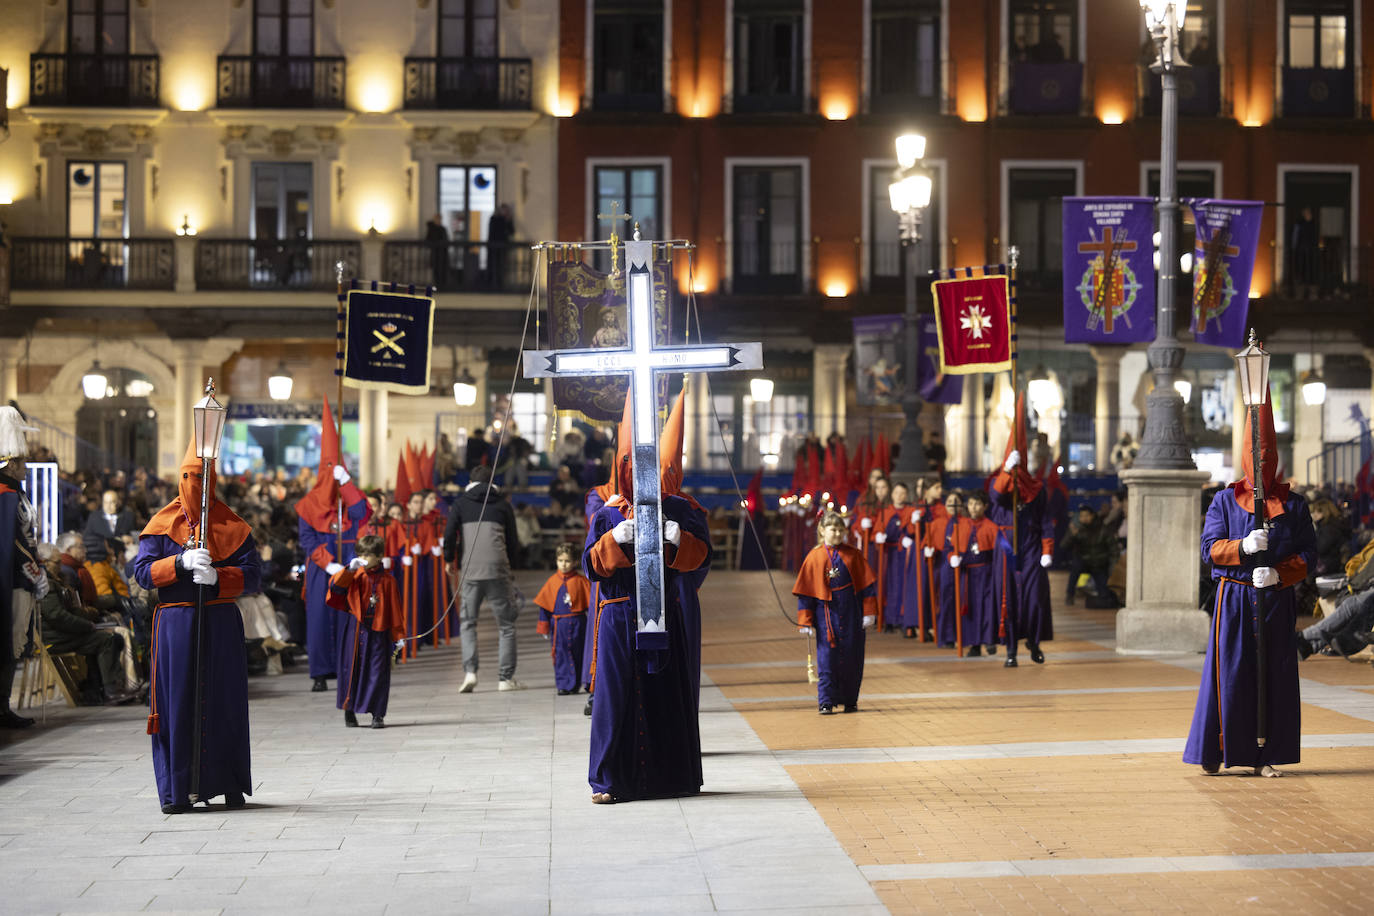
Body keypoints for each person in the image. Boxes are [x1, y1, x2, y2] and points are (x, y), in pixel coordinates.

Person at [582, 387, 711, 803]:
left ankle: (670, 777)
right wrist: (614, 540)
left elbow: (703, 562)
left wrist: (680, 540)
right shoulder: (606, 514)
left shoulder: (681, 511)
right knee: (615, 697)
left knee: (665, 694)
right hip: (621, 614)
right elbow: (591, 567)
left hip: (665, 613)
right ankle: (608, 780)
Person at [1184, 393, 1316, 777]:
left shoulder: (1296, 505)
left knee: (1273, 672)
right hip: (1236, 598)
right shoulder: (1224, 501)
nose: (1262, 468)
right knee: (1231, 670)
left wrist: (1281, 574)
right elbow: (1210, 550)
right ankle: (1221, 745)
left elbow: (1310, 554)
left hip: (1275, 598)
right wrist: (1241, 547)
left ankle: (1266, 753)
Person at [134, 439, 261, 813]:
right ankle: (177, 790)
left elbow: (253, 577)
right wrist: (179, 564)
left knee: (223, 701)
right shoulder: (160, 524)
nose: (197, 486)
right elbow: (142, 573)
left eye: (204, 479)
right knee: (177, 703)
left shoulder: (233, 526)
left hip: (220, 622)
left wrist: (219, 577)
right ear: (181, 479)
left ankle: (228, 783)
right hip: (176, 625)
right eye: (190, 477)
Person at [295, 401, 371, 692]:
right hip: (320, 568)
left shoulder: (348, 497)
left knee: (346, 615)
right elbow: (308, 540)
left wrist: (347, 485)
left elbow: (362, 514)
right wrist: (328, 563)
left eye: (335, 470)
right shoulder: (308, 505)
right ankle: (319, 671)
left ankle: (345, 665)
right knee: (319, 617)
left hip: (348, 563)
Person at [987, 395, 1056, 665]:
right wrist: (1006, 471)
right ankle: (1011, 651)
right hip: (1006, 550)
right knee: (1009, 600)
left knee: (1034, 599)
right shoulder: (999, 483)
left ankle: (1034, 642)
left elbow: (1046, 521)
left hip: (1031, 549)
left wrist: (1047, 550)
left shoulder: (1037, 490)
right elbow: (995, 497)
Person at [443, 464, 522, 692]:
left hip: (470, 571)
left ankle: (470, 673)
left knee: (468, 623)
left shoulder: (459, 504)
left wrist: (450, 559)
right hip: (498, 569)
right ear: (492, 482)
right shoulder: (503, 505)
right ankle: (505, 679)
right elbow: (513, 540)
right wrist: (513, 568)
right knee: (506, 625)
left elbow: (449, 534)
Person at [793, 510, 876, 715]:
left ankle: (850, 700)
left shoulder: (854, 555)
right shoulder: (814, 557)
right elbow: (806, 593)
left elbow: (867, 588)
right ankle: (826, 701)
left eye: (841, 529)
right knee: (826, 658)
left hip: (851, 612)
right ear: (822, 530)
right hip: (825, 614)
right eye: (833, 529)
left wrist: (869, 613)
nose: (837, 533)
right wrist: (805, 620)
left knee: (853, 656)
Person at [326, 534, 404, 729]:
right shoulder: (355, 576)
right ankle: (349, 711)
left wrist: (399, 636)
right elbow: (335, 590)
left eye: (368, 555)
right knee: (351, 670)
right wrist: (348, 571)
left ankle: (377, 714)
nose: (363, 558)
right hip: (356, 628)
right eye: (361, 554)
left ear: (379, 556)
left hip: (379, 631)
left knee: (378, 671)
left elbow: (395, 610)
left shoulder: (388, 580)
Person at [38, 546, 132, 704]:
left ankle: (96, 690)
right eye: (57, 562)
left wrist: (89, 615)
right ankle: (110, 691)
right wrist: (87, 625)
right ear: (45, 562)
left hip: (63, 633)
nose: (61, 566)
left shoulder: (57, 580)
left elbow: (71, 610)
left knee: (111, 638)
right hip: (54, 638)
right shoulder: (46, 584)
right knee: (107, 640)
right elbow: (57, 616)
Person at [1, 406, 46, 728]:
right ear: (12, 463)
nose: (27, 466)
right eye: (23, 461)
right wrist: (35, 571)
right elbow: (13, 542)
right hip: (15, 579)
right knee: (10, 640)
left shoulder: (16, 492)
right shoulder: (6, 494)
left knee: (15, 642)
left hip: (23, 576)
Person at [533, 543, 589, 695]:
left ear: (575, 562)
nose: (563, 565)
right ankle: (563, 685)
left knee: (580, 654)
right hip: (560, 625)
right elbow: (544, 607)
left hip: (579, 624)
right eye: (560, 561)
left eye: (567, 561)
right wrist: (544, 627)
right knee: (560, 654)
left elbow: (591, 605)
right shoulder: (552, 582)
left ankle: (578, 683)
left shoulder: (582, 581)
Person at [1062, 504, 1117, 607]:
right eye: (1081, 516)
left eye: (1086, 515)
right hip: (1083, 562)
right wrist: (1072, 536)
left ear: (1092, 516)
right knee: (1075, 568)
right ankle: (1070, 595)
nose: (1084, 518)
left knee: (1104, 595)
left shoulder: (1102, 529)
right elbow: (1064, 546)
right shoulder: (1076, 529)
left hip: (1099, 564)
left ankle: (1093, 593)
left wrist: (1112, 567)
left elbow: (1113, 549)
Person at [83, 488, 136, 556]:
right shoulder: (94, 517)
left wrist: (130, 539)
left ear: (118, 502)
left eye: (111, 502)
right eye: (105, 502)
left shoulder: (127, 516)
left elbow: (134, 534)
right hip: (101, 555)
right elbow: (87, 537)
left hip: (123, 554)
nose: (108, 506)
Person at [486, 202, 514, 289]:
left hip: (503, 248)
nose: (504, 212)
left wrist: (508, 220)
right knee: (494, 265)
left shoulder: (506, 220)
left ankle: (500, 283)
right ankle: (492, 283)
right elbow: (494, 232)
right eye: (503, 210)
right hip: (494, 247)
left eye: (506, 210)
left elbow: (511, 232)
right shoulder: (494, 219)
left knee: (502, 266)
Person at [425, 213, 449, 289]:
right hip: (435, 254)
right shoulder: (431, 229)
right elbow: (428, 240)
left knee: (442, 271)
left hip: (442, 254)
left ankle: (442, 286)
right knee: (436, 271)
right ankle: (437, 286)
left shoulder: (443, 229)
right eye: (437, 219)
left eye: (439, 219)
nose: (438, 220)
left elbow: (446, 241)